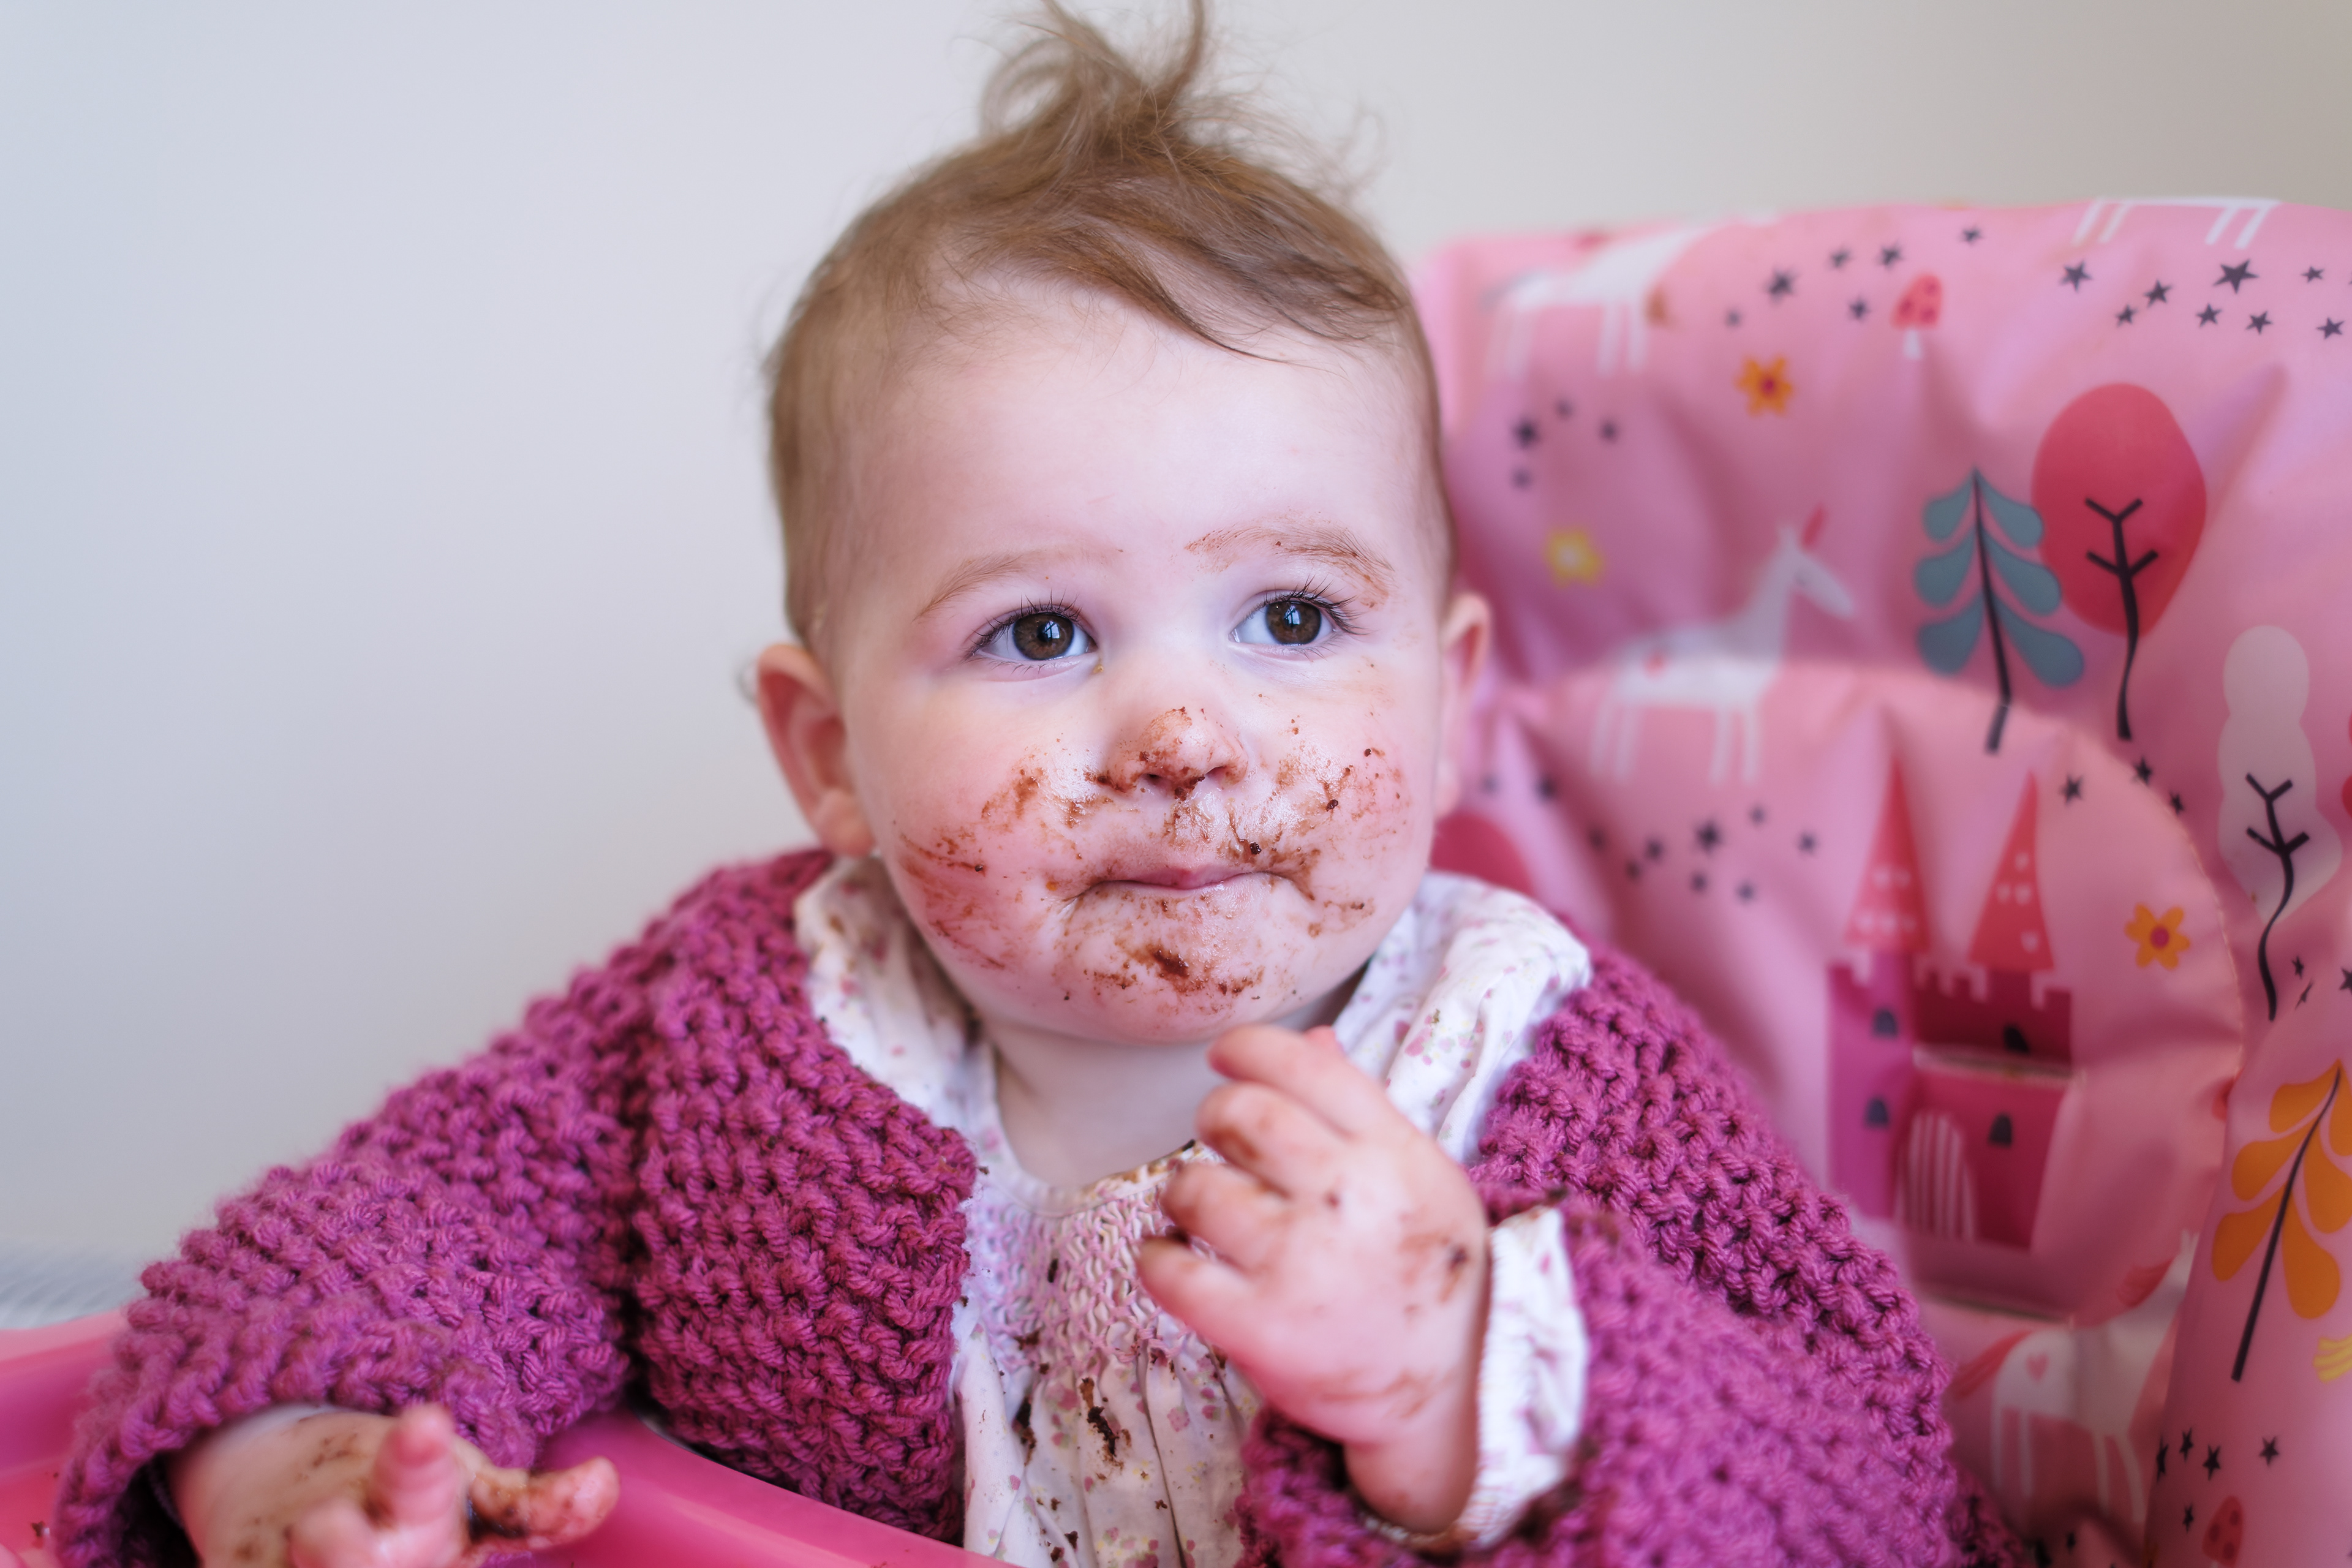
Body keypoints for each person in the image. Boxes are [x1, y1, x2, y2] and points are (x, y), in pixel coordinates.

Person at [55, 7, 2022, 1566]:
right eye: (1043, 633)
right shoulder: (742, 1016)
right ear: (829, 758)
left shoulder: (1538, 1068)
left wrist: (1458, 1372)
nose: (1183, 735)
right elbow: (399, 1227)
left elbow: (1864, 1488)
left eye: (1291, 615)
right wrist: (299, 1458)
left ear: (1449, 697)